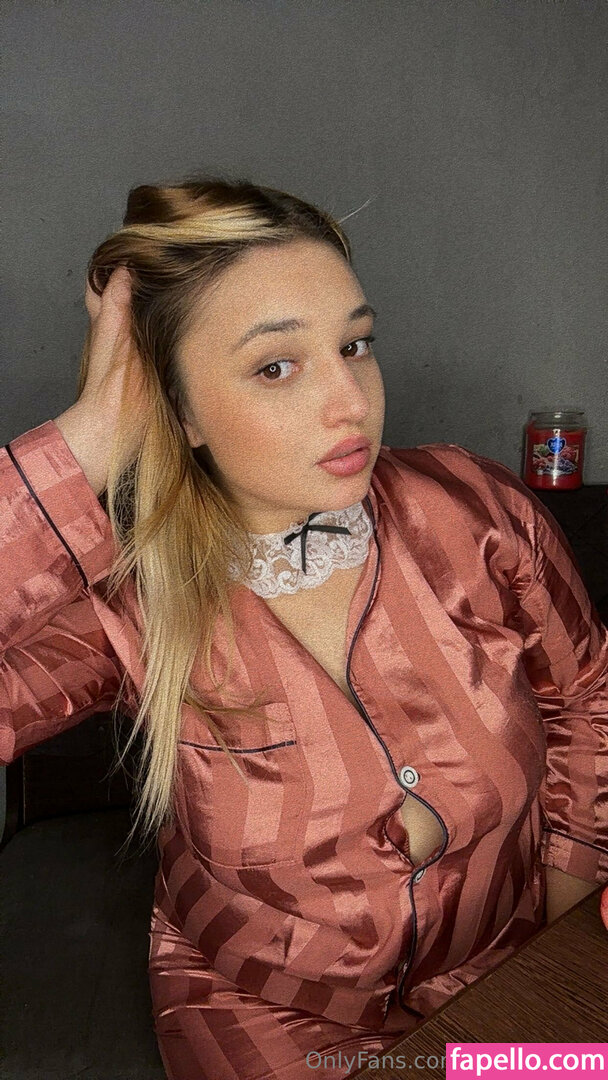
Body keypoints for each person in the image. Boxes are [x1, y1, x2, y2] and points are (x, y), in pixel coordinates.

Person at [1, 175, 606, 1080]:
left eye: (355, 345)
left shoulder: (476, 512)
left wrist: (560, 921)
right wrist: (90, 436)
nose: (351, 401)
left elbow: (588, 697)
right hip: (267, 1018)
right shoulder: (128, 600)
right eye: (276, 366)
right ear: (177, 410)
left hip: (510, 963)